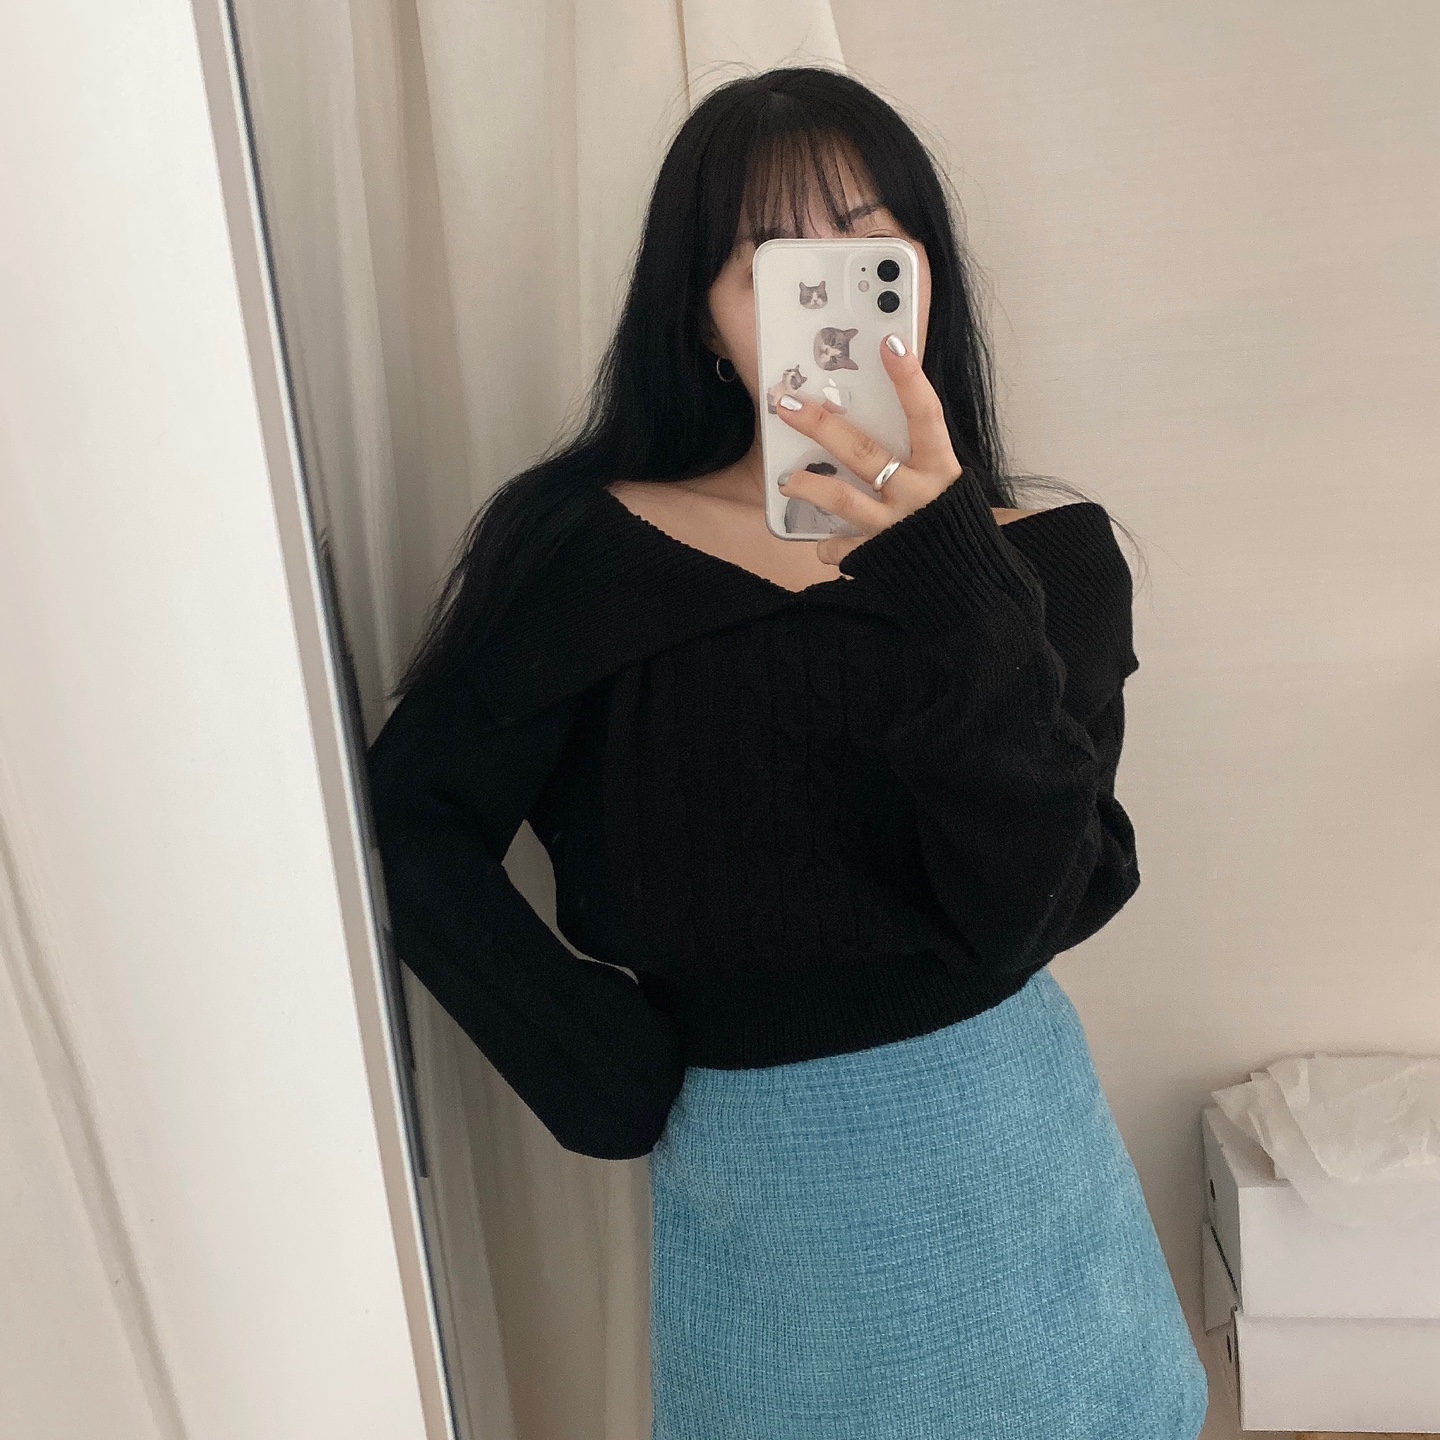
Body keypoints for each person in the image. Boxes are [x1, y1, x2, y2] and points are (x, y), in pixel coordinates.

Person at [365, 66, 1208, 1440]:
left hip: (1013, 1147)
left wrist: (949, 575)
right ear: (701, 317)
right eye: (769, 257)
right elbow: (412, 817)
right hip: (764, 1175)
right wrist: (596, 1064)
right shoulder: (587, 550)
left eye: (865, 244)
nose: (826, 288)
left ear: (924, 279)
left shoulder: (1046, 564)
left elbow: (1027, 909)